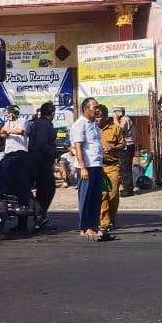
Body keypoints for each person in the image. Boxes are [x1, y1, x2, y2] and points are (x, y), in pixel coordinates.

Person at [70, 97, 111, 241]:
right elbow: (78, 147)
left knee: (95, 198)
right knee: (85, 197)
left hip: (96, 165)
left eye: (97, 107)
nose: (96, 110)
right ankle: (85, 227)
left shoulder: (94, 124)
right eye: (94, 107)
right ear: (85, 109)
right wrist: (82, 167)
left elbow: (94, 145)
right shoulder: (79, 124)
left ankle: (94, 225)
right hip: (86, 166)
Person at [0, 106, 32, 229]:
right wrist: (6, 131)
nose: (8, 115)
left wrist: (8, 131)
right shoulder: (7, 123)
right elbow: (1, 133)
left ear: (15, 113)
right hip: (8, 154)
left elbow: (20, 131)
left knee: (22, 187)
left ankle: (24, 222)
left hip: (20, 154)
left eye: (10, 113)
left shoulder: (22, 121)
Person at [27, 102, 58, 231]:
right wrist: (54, 153)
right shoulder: (44, 125)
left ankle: (40, 217)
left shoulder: (38, 123)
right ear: (52, 113)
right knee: (48, 189)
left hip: (37, 160)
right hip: (41, 162)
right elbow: (42, 143)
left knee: (42, 190)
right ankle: (40, 217)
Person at [97, 104, 124, 233]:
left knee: (113, 195)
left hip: (112, 166)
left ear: (105, 116)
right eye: (95, 117)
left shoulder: (115, 128)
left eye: (100, 117)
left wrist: (112, 148)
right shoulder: (92, 129)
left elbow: (122, 144)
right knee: (103, 195)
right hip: (98, 166)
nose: (97, 120)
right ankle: (105, 222)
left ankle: (112, 220)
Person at [114, 106, 136, 197]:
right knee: (123, 167)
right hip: (124, 146)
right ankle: (126, 187)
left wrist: (115, 120)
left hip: (127, 146)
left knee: (126, 168)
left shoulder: (125, 119)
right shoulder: (123, 119)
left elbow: (119, 130)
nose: (114, 114)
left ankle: (128, 189)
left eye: (115, 112)